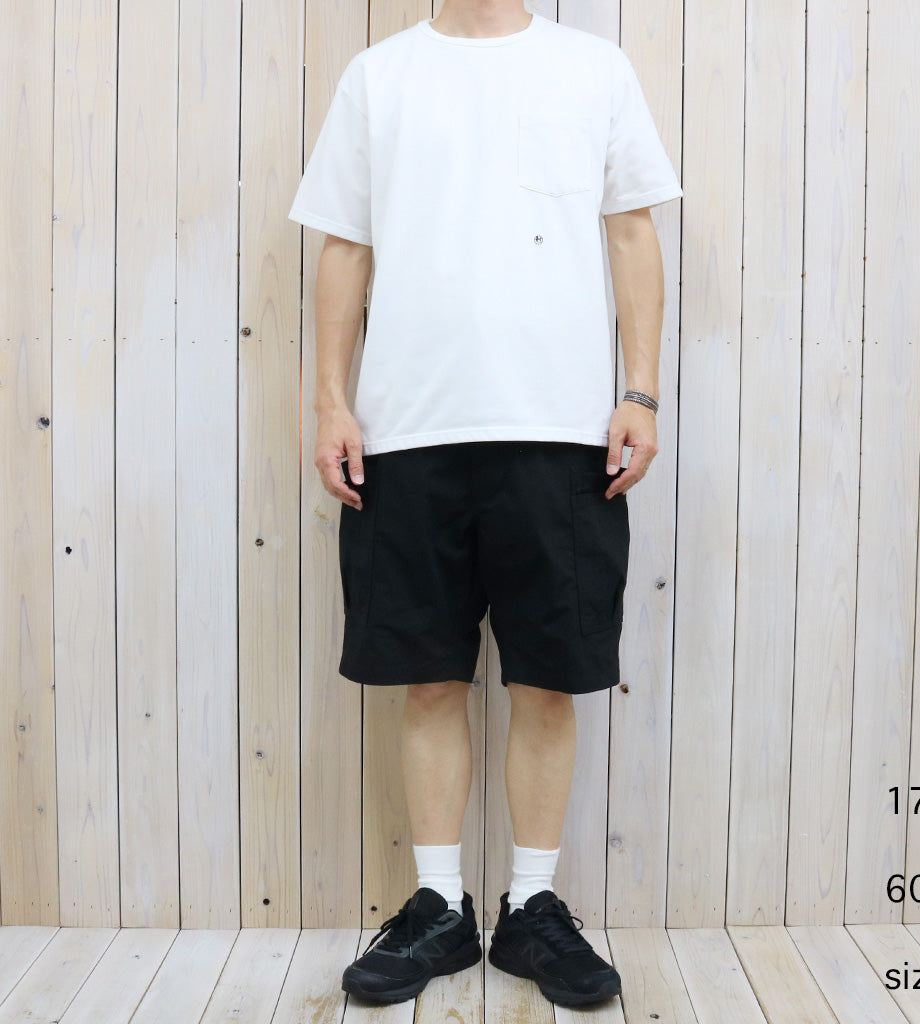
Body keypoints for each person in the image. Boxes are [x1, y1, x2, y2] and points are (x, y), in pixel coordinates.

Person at [287, 0, 681, 1009]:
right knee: (426, 676)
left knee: (550, 677)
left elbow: (631, 230)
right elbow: (344, 247)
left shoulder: (592, 70)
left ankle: (533, 908)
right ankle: (438, 907)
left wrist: (639, 392)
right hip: (405, 428)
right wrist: (331, 400)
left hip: (563, 429)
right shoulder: (380, 77)